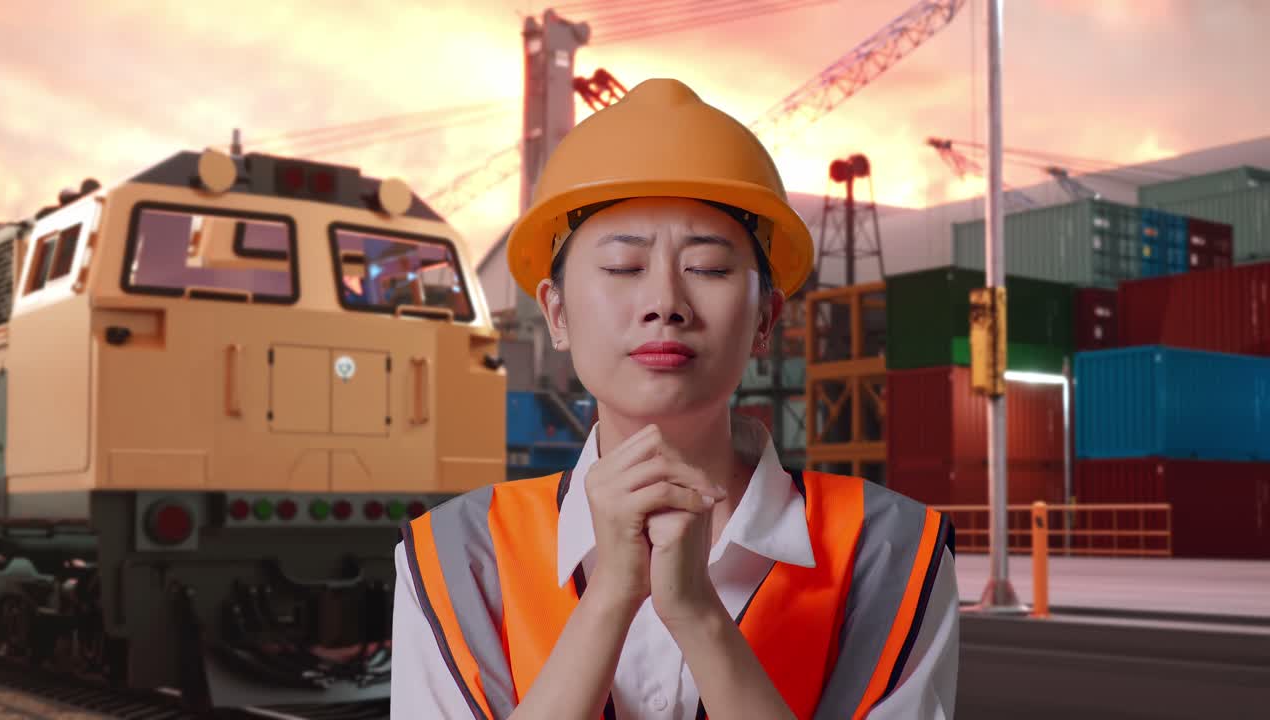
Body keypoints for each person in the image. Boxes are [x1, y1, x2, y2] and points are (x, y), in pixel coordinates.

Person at [391, 78, 958, 719]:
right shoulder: (459, 553)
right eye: (623, 268)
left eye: (710, 268)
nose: (665, 302)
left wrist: (696, 614)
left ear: (767, 318)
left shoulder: (887, 549)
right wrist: (610, 597)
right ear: (556, 312)